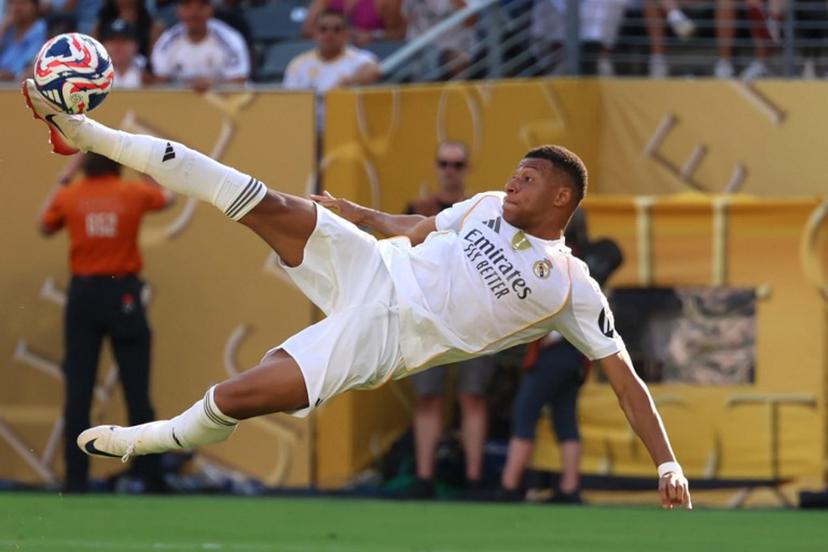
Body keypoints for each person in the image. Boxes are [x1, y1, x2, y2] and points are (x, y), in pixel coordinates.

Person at [22, 78, 692, 509]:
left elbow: (625, 379)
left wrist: (668, 466)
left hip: (387, 339)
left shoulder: (573, 286)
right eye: (513, 177)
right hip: (374, 265)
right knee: (256, 196)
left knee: (242, 396)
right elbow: (422, 228)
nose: (510, 186)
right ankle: (83, 133)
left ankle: (150, 441)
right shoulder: (485, 204)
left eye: (525, 181)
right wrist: (359, 215)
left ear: (561, 198)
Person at [37, 152, 174, 492]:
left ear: (84, 166)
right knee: (137, 390)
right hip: (122, 293)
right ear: (117, 164)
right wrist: (146, 167)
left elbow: (44, 225)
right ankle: (149, 476)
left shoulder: (71, 195)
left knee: (78, 388)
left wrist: (65, 176)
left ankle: (75, 479)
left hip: (83, 296)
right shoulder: (131, 192)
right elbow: (168, 198)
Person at [500, 211, 622, 504]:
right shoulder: (583, 263)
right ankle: (570, 486)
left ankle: (508, 485)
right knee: (565, 416)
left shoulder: (564, 260)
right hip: (576, 352)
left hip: (555, 349)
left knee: (526, 411)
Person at [403, 141, 497, 498]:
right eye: (444, 163)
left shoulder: (482, 211)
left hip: (473, 313)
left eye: (457, 164)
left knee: (473, 395)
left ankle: (473, 479)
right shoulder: (419, 209)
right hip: (429, 313)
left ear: (467, 168)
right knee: (428, 397)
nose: (450, 170)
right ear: (436, 166)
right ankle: (424, 478)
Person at [283, 9, 380, 128]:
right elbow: (289, 101)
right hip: (307, 130)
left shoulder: (357, 58)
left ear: (346, 34)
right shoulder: (298, 64)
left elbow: (374, 71)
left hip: (346, 128)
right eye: (323, 29)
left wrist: (347, 82)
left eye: (337, 30)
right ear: (315, 33)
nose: (329, 34)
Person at [150, 0, 250, 92]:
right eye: (187, 6)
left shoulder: (230, 40)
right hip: (181, 104)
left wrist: (212, 85)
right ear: (178, 11)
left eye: (201, 7)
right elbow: (160, 84)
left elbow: (239, 82)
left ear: (211, 10)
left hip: (224, 104)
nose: (194, 13)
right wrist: (190, 86)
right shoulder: (167, 42)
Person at [302, 0, 405, 46]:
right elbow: (307, 30)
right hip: (332, 55)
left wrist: (373, 36)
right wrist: (333, 33)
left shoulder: (385, 2)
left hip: (370, 55)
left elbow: (399, 33)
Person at [0, 0, 47, 82]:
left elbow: (33, 70)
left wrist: (13, 76)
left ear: (35, 6)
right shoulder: (7, 31)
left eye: (22, 3)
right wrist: (3, 27)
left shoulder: (45, 32)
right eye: (12, 3)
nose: (16, 8)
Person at [100, 19, 148, 89]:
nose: (118, 46)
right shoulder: (92, 71)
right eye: (112, 41)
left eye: (124, 41)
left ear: (136, 45)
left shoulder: (149, 69)